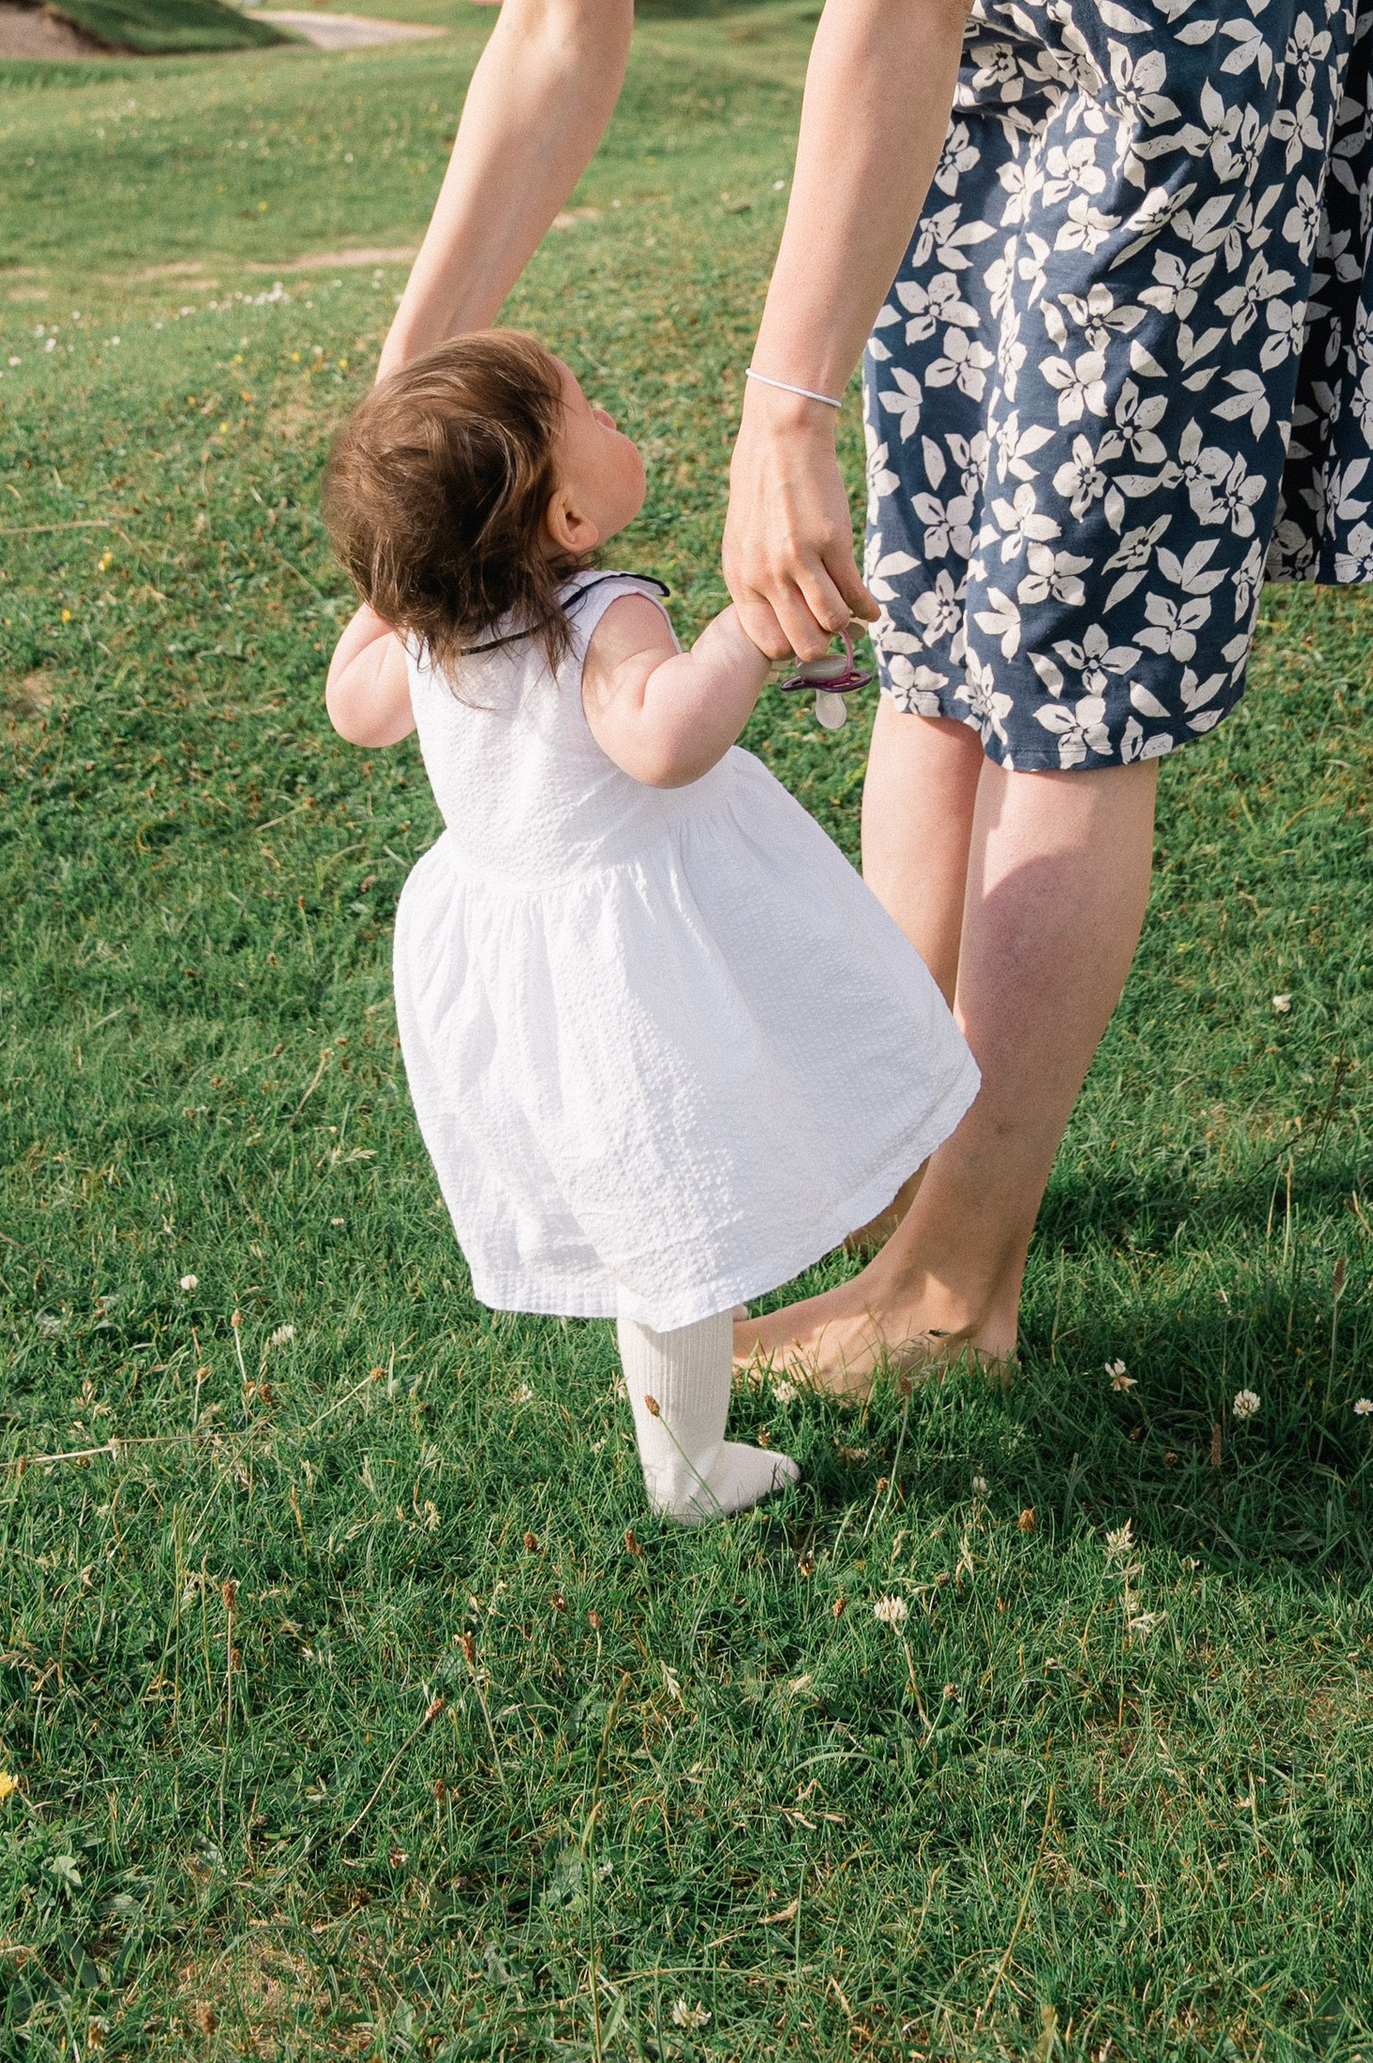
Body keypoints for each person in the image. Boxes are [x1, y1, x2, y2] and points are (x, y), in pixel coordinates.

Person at [152, 0, 1373, 1392]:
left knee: (1058, 656)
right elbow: (556, 28)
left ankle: (952, 1290)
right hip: (955, 35)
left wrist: (786, 396)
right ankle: (883, 1143)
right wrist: (391, 436)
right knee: (929, 627)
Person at [321, 326, 979, 1517]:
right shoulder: (599, 609)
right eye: (594, 413)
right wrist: (747, 631)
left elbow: (355, 710)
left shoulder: (430, 635)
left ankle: (704, 1401)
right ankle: (691, 1468)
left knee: (648, 1191)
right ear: (567, 519)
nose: (615, 417)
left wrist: (398, 585)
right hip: (641, 959)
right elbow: (661, 740)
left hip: (525, 966)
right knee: (678, 1196)